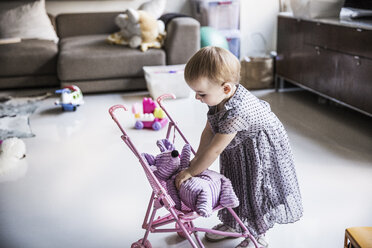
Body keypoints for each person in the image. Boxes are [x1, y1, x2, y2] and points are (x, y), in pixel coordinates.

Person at [175, 46, 303, 248]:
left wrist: (193, 171)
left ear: (226, 88)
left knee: (255, 190)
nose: (197, 98)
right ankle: (235, 224)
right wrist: (197, 160)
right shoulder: (218, 96)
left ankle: (259, 234)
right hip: (239, 146)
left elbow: (216, 149)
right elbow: (209, 130)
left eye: (201, 94)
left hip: (260, 149)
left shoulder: (237, 111)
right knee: (235, 183)